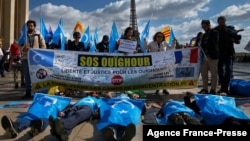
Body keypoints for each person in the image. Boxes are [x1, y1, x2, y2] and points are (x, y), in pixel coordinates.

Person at [0, 93, 71, 139]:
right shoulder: (44, 97)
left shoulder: (59, 102)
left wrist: (61, 113)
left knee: (39, 120)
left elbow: (62, 111)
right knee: (28, 119)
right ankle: (15, 128)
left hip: (41, 115)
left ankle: (35, 128)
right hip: (37, 114)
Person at [184, 91, 250, 125]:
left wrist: (187, 98)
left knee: (231, 120)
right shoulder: (210, 98)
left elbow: (189, 106)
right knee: (237, 119)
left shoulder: (201, 104)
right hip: (229, 113)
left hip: (221, 116)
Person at [20, 20, 47, 99]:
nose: (30, 27)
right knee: (27, 76)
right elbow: (19, 45)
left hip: (36, 59)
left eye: (31, 25)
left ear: (34, 26)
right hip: (26, 58)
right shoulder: (23, 35)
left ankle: (37, 92)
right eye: (28, 25)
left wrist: (39, 53)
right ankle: (28, 92)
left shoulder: (38, 35)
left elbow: (43, 45)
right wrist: (23, 48)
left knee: (37, 75)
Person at [214, 16, 235, 94]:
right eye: (220, 21)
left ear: (225, 21)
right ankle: (223, 87)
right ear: (218, 22)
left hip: (229, 53)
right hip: (219, 54)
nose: (221, 23)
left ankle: (226, 87)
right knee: (220, 71)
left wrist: (234, 39)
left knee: (228, 71)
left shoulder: (230, 30)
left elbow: (237, 40)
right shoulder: (215, 30)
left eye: (223, 21)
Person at [199, 20, 219, 94]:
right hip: (205, 56)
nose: (204, 28)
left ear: (209, 25)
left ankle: (213, 89)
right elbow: (203, 45)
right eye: (203, 27)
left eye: (205, 26)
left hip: (212, 56)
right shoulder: (204, 35)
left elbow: (214, 42)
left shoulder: (214, 32)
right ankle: (205, 89)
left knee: (214, 74)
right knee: (204, 73)